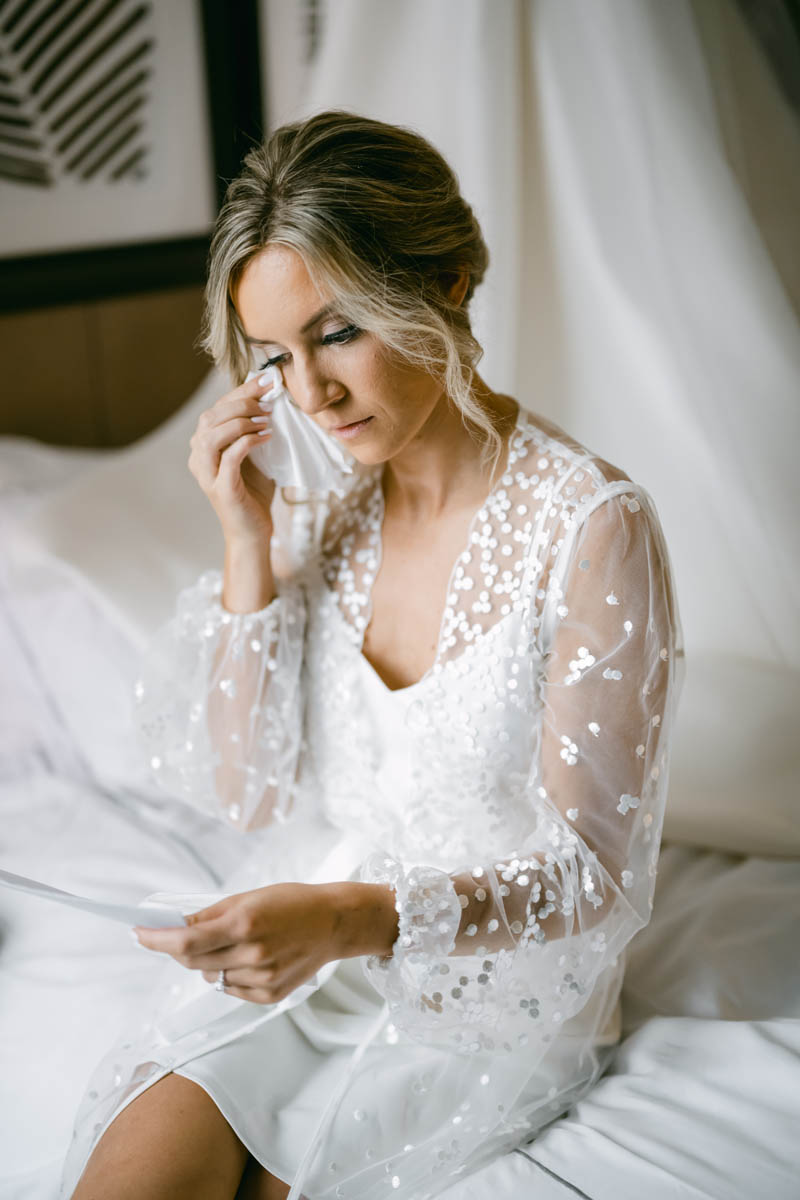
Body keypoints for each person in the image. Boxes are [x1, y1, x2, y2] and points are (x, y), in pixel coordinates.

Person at [62, 110, 683, 1200]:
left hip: (493, 988)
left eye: (338, 331)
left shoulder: (589, 526)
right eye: (274, 356)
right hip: (309, 948)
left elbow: (591, 877)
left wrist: (358, 918)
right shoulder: (318, 504)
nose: (309, 395)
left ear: (443, 283)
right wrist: (244, 540)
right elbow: (247, 793)